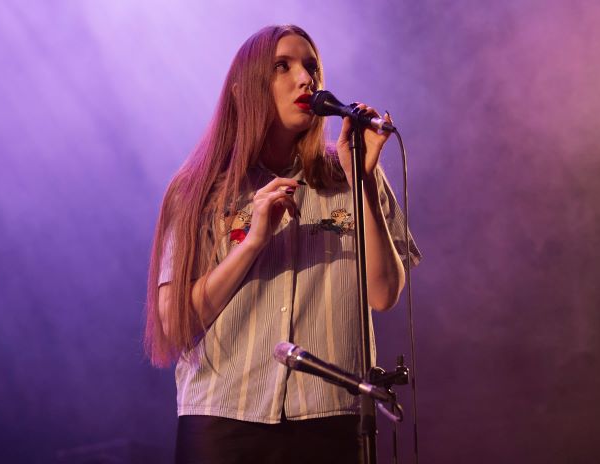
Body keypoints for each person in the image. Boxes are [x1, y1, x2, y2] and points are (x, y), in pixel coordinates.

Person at [144, 24, 420, 464]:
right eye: (282, 67)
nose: (306, 79)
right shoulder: (196, 191)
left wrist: (362, 181)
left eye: (312, 67)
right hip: (223, 422)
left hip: (330, 419)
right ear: (243, 90)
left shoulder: (350, 175)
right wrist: (253, 242)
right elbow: (175, 326)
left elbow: (385, 294)